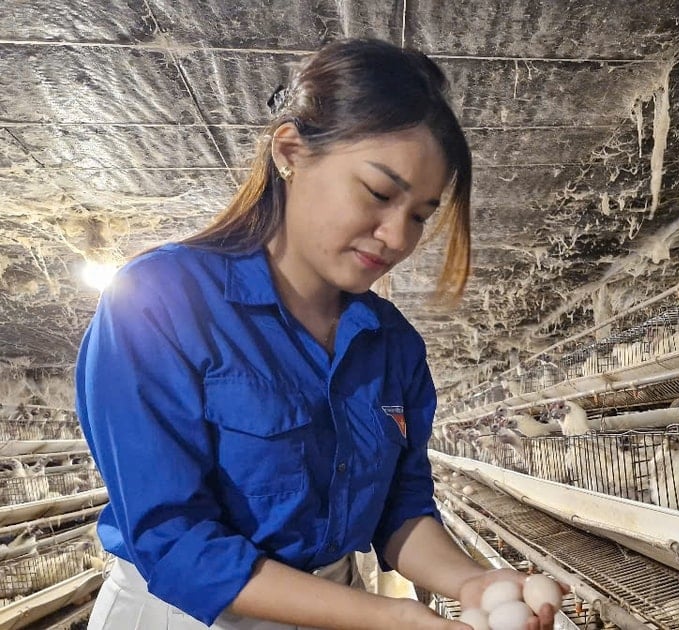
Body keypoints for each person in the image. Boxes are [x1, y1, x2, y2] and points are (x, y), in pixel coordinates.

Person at [76, 38, 561, 629]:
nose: (396, 236)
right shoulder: (160, 300)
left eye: (419, 215)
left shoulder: (393, 345)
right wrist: (389, 617)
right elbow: (174, 542)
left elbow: (399, 509)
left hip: (333, 604)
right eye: (380, 194)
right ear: (291, 152)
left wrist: (474, 582)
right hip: (186, 615)